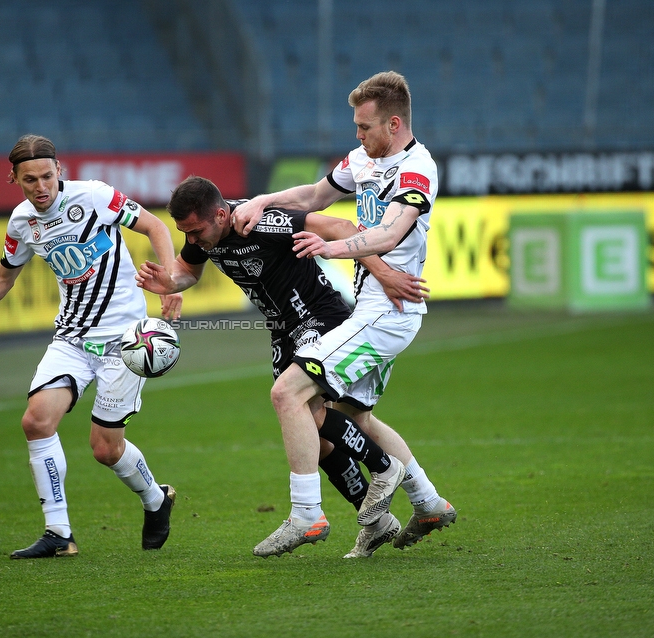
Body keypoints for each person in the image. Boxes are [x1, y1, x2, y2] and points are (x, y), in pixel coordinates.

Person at [138, 175, 441, 558]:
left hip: (318, 319)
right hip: (283, 330)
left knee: (300, 407)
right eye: (186, 233)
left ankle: (376, 473)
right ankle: (378, 521)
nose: (193, 240)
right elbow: (188, 270)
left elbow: (343, 227)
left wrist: (382, 273)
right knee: (315, 438)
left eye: (196, 231)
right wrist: (168, 283)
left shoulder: (263, 220)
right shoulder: (204, 233)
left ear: (220, 213)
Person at [231, 71, 457, 557]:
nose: (357, 135)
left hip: (386, 315)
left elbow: (391, 234)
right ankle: (429, 502)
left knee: (288, 391)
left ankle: (307, 516)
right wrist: (265, 199)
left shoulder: (418, 170)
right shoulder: (362, 160)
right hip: (373, 308)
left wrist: (332, 248)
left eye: (364, 127)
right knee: (355, 416)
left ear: (393, 124)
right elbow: (315, 197)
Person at [0, 134, 180, 558]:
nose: (41, 186)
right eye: (30, 180)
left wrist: (170, 280)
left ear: (59, 171)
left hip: (126, 341)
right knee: (36, 422)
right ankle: (59, 533)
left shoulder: (96, 197)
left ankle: (156, 500)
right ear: (14, 179)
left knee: (105, 449)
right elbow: (3, 277)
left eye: (47, 175)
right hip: (71, 339)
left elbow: (154, 226)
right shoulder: (22, 223)